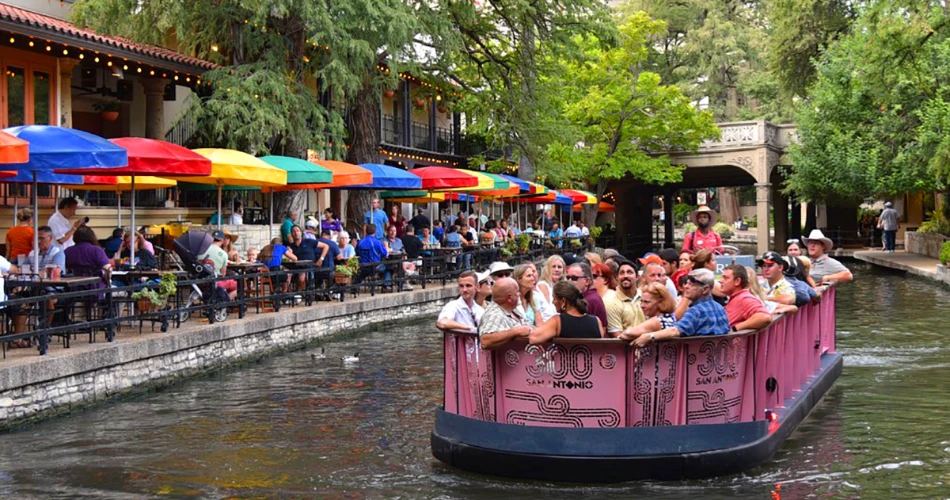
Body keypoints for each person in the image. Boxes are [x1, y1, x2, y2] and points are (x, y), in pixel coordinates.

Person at [619, 269, 730, 347]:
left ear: (705, 289)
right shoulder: (721, 308)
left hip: (695, 368)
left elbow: (675, 331)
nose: (686, 286)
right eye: (686, 282)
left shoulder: (695, 311)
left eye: (691, 284)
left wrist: (649, 336)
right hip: (717, 370)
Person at [529, 281, 604, 342]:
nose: (552, 302)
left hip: (564, 360)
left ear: (563, 301)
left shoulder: (557, 321)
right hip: (591, 360)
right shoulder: (597, 321)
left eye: (554, 298)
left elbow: (533, 338)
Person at [478, 277, 533, 349]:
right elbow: (485, 341)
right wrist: (515, 331)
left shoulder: (512, 309)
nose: (519, 294)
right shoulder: (494, 314)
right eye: (517, 292)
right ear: (509, 298)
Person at [720, 264, 773, 331]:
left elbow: (765, 317)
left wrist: (736, 328)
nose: (721, 280)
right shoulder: (738, 297)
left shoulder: (744, 298)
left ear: (737, 281)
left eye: (725, 278)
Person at [608, 260, 648, 338]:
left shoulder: (645, 296)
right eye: (622, 273)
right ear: (617, 278)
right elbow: (617, 336)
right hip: (625, 348)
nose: (625, 276)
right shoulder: (611, 302)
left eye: (629, 272)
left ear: (637, 277)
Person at [566, 262, 608, 328]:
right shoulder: (581, 297)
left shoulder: (591, 300)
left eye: (574, 278)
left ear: (587, 281)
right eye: (568, 277)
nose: (569, 281)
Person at [199, 230, 238, 299]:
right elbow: (223, 274)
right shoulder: (223, 254)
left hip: (199, 282)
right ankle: (224, 303)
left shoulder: (201, 250)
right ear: (222, 240)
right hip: (215, 282)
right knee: (239, 286)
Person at [356, 223, 392, 288]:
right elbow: (385, 254)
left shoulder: (360, 242)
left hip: (362, 267)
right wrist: (386, 247)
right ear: (375, 232)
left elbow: (357, 253)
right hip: (375, 267)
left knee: (363, 273)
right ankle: (386, 285)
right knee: (389, 266)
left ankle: (355, 285)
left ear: (366, 231)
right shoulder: (377, 242)